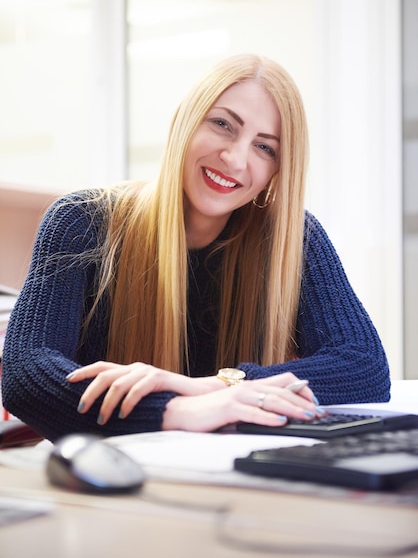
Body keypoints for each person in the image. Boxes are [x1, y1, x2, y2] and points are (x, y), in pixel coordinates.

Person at [2, 53, 390, 442]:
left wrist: (214, 387)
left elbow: (364, 368)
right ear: (184, 122)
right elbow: (25, 374)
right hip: (117, 473)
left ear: (277, 170)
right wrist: (175, 409)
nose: (235, 158)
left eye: (265, 147)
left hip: (240, 474)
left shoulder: (291, 238)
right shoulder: (83, 220)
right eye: (223, 124)